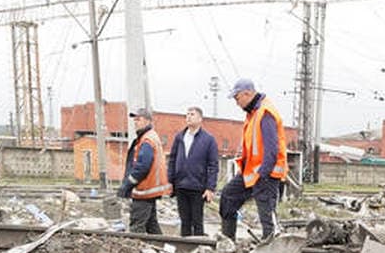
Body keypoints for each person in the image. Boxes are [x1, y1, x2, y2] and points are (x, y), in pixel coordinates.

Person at [219, 79, 287, 241]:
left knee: (266, 214)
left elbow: (272, 149)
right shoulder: (253, 113)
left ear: (247, 93)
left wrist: (263, 174)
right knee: (228, 196)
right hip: (251, 172)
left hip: (266, 174)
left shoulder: (265, 113)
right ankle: (228, 242)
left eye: (237, 98)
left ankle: (272, 250)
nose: (237, 103)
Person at [166, 106, 219, 238]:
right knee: (185, 221)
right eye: (187, 114)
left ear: (200, 119)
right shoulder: (180, 137)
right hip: (181, 185)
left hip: (197, 186)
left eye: (192, 114)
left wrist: (210, 188)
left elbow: (213, 165)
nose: (188, 117)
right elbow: (172, 159)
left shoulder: (208, 140)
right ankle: (185, 249)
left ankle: (199, 248)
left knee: (197, 221)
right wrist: (170, 181)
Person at [119, 108, 171, 235]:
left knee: (137, 227)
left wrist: (127, 185)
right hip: (150, 190)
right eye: (134, 120)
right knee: (151, 225)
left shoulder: (147, 140)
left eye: (139, 119)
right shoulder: (151, 137)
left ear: (148, 121)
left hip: (144, 190)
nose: (135, 122)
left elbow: (142, 167)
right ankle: (165, 251)